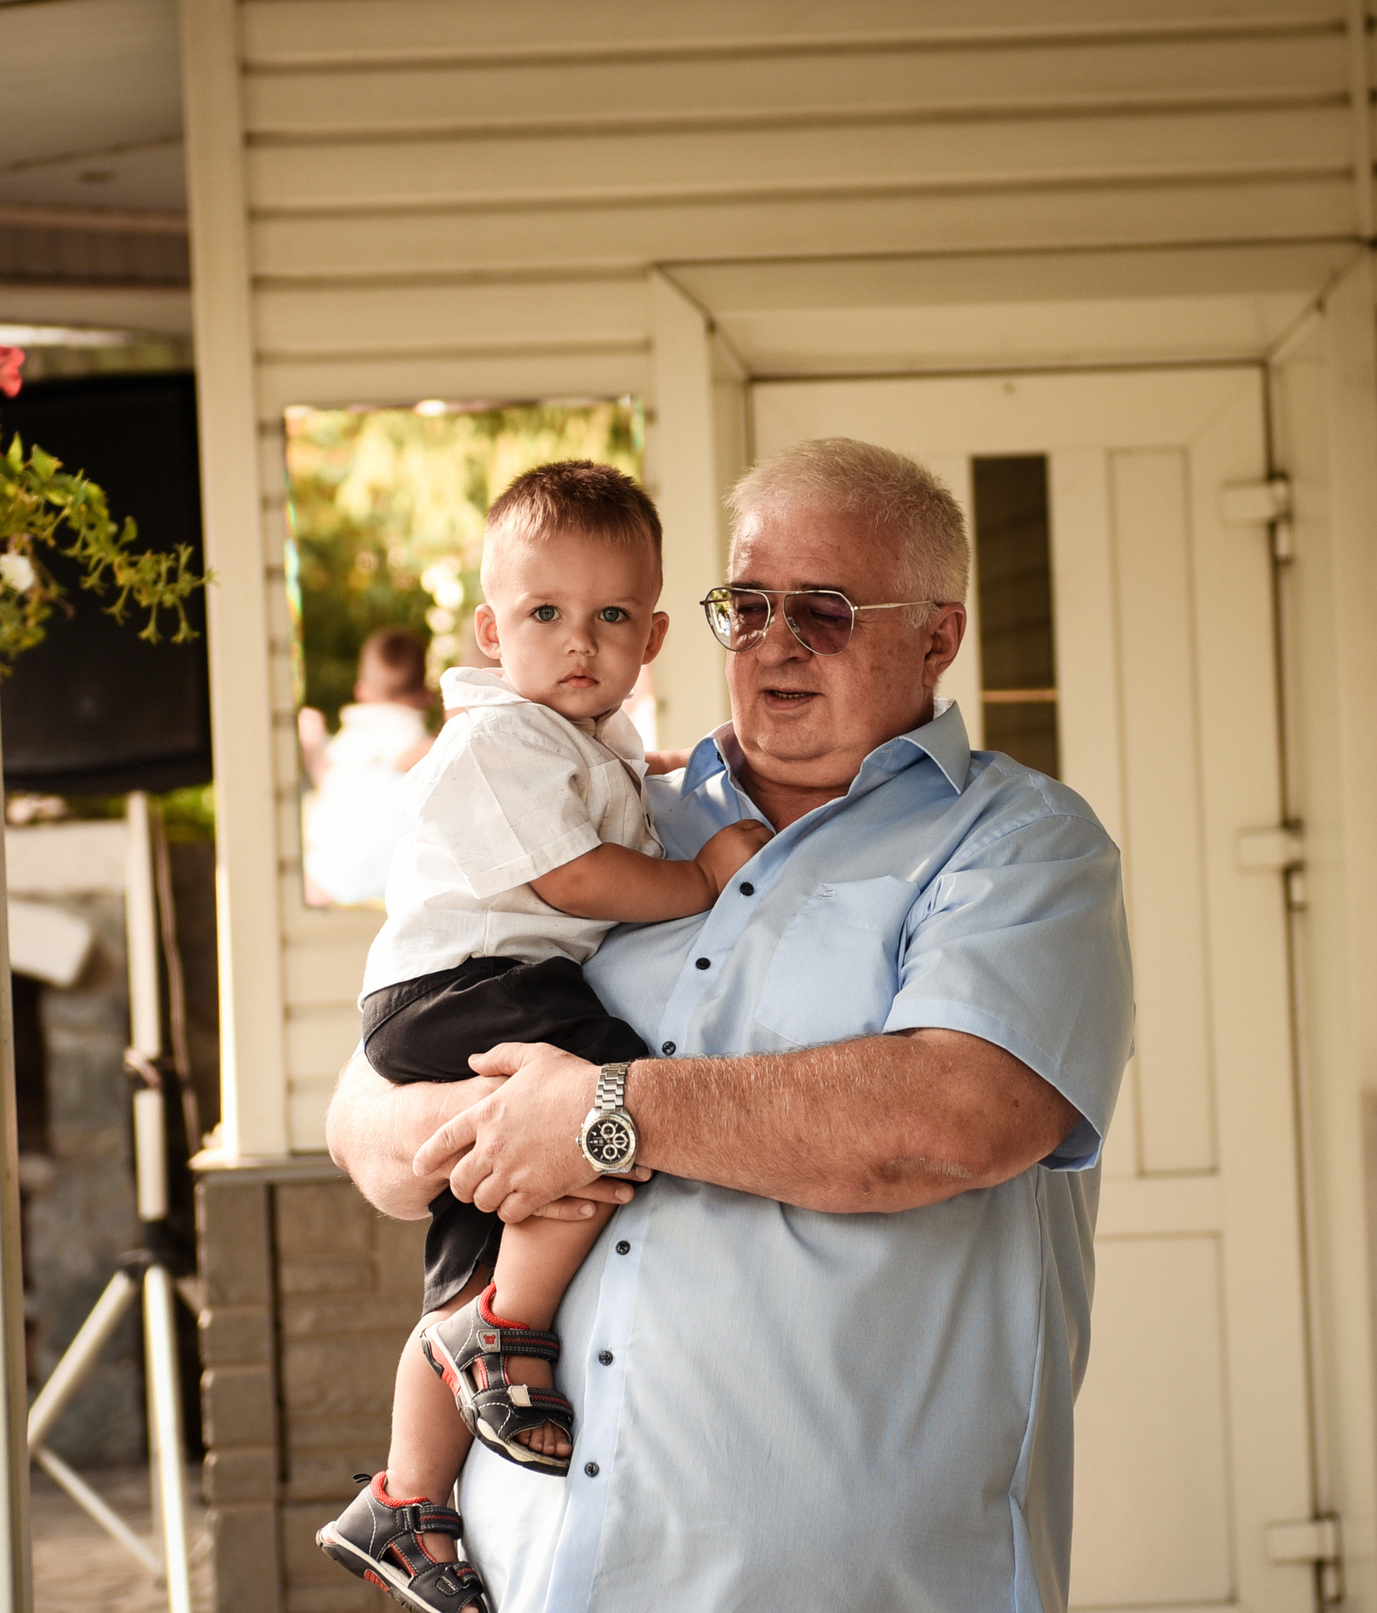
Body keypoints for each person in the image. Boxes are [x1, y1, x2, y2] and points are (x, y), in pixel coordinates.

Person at [323, 437, 1135, 1613]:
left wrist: (602, 1113)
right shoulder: (616, 815)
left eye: (827, 608)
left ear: (939, 636)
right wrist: (463, 1128)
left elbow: (955, 1118)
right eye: (746, 604)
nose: (774, 639)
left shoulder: (1021, 845)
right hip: (530, 1573)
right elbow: (363, 1111)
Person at [314, 463, 769, 1613]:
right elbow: (571, 874)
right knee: (605, 1100)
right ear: (489, 628)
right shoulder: (499, 738)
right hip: (465, 985)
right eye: (545, 614)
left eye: (612, 615)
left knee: (485, 1232)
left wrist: (657, 772)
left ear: (654, 630)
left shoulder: (585, 737)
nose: (580, 640)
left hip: (472, 991)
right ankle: (501, 1332)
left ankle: (406, 1496)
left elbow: (607, 790)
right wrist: (700, 876)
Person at [302, 627, 437, 906]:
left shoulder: (353, 733)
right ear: (425, 694)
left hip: (325, 863)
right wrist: (455, 735)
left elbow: (327, 778)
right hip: (353, 872)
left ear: (361, 691)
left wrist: (313, 747)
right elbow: (403, 755)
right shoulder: (402, 725)